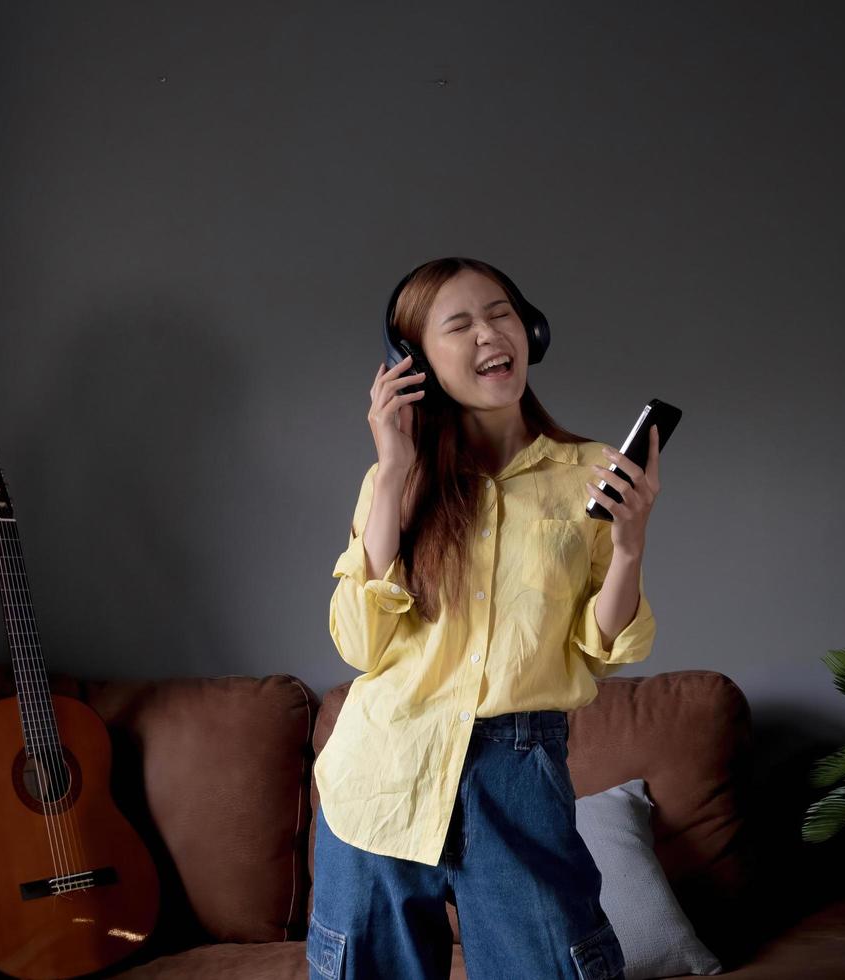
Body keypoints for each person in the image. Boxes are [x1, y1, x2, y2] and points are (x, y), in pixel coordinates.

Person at [310, 257, 663, 980]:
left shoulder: (591, 471)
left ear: (531, 328)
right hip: (383, 768)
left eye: (501, 313)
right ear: (414, 362)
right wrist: (392, 472)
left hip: (520, 769)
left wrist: (629, 546)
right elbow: (359, 641)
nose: (489, 335)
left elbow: (599, 648)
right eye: (459, 324)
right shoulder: (394, 479)